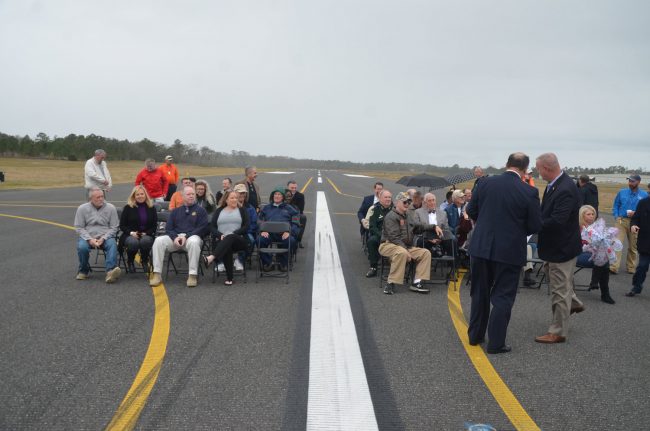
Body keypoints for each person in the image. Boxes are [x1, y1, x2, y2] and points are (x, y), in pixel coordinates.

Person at [466, 153, 542, 354]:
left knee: (479, 293)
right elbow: (535, 224)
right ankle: (496, 343)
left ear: (506, 165)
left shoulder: (484, 184)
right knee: (502, 297)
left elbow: (472, 210)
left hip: (481, 247)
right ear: (525, 170)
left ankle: (475, 335)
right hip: (509, 250)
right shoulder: (529, 192)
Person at [534, 153, 585, 344]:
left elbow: (557, 220)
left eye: (539, 169)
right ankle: (575, 303)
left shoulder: (565, 188)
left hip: (561, 247)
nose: (538, 172)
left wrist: (534, 224)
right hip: (555, 246)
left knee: (559, 290)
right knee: (555, 279)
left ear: (546, 168)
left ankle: (558, 332)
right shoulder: (556, 183)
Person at [149, 185, 209, 288]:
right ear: (183, 196)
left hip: (192, 237)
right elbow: (169, 228)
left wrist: (186, 236)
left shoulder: (201, 211)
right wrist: (175, 237)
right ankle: (157, 274)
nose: (191, 196)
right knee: (159, 240)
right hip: (176, 239)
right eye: (188, 194)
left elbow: (202, 228)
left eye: (193, 194)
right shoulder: (176, 211)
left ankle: (192, 275)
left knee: (194, 242)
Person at [379, 192, 432, 295]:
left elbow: (418, 226)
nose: (407, 204)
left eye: (409, 202)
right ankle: (390, 283)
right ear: (397, 203)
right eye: (404, 202)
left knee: (425, 253)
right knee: (402, 252)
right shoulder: (391, 216)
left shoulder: (408, 215)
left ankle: (417, 283)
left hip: (404, 246)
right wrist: (406, 250)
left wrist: (433, 226)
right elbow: (394, 237)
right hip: (388, 244)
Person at [74, 187, 121, 283]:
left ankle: (110, 271)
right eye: (97, 197)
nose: (101, 199)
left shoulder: (111, 208)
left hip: (105, 236)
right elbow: (79, 227)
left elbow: (114, 227)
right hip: (88, 237)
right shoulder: (82, 209)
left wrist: (103, 238)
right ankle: (83, 270)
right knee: (82, 247)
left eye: (102, 196)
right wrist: (89, 239)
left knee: (112, 245)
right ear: (91, 198)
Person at [576, 205, 621, 304]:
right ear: (582, 215)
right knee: (603, 260)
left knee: (603, 258)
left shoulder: (598, 227)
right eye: (588, 214)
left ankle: (596, 283)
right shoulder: (576, 227)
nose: (591, 216)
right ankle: (604, 293)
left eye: (593, 214)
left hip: (596, 255)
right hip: (579, 254)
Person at [204, 190, 250, 285]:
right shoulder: (219, 211)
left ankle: (211, 257)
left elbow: (246, 226)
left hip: (239, 240)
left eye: (236, 198)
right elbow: (212, 227)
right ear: (226, 200)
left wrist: (234, 233)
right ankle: (230, 278)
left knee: (230, 237)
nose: (234, 200)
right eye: (232, 198)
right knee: (227, 245)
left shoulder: (242, 210)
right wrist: (220, 235)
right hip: (221, 240)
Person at [610, 174, 648, 274]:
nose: (630, 183)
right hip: (621, 221)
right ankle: (614, 266)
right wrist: (616, 215)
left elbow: (646, 210)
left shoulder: (644, 195)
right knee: (617, 244)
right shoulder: (622, 192)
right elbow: (616, 205)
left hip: (635, 223)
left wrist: (636, 213)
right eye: (629, 181)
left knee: (633, 246)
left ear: (638, 182)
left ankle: (631, 267)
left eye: (633, 181)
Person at [258, 187, 300, 272]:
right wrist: (262, 230)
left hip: (283, 234)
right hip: (269, 234)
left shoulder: (290, 209)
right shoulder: (266, 208)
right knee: (259, 240)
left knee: (290, 240)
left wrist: (290, 232)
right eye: (275, 194)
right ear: (272, 196)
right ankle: (268, 262)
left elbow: (296, 223)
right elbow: (259, 221)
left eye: (279, 194)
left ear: (283, 197)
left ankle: (283, 263)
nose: (277, 196)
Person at [119, 185, 158, 273]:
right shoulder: (128, 208)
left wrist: (146, 233)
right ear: (134, 196)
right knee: (133, 242)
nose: (140, 196)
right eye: (137, 194)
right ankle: (130, 261)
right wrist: (132, 233)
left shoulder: (151, 208)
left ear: (145, 195)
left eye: (142, 194)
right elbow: (122, 225)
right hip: (130, 234)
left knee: (146, 241)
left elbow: (154, 226)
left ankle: (144, 260)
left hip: (146, 234)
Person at [627, 184, 650, 297]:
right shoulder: (643, 203)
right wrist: (633, 225)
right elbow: (636, 218)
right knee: (642, 266)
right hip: (646, 242)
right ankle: (636, 287)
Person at [365, 190, 393, 278]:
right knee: (371, 241)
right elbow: (372, 227)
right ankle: (373, 267)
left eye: (389, 197)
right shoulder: (375, 210)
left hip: (394, 236)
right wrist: (382, 236)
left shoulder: (395, 210)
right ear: (380, 199)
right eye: (386, 197)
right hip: (380, 235)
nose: (388, 199)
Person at [233, 183, 258, 269]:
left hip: (246, 232)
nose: (242, 195)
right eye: (240, 192)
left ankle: (240, 260)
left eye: (244, 193)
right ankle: (222, 262)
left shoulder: (250, 208)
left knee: (250, 240)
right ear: (234, 193)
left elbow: (254, 223)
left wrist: (244, 231)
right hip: (231, 232)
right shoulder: (229, 207)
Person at [287, 180, 307, 247]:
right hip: (284, 214)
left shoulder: (300, 196)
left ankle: (299, 240)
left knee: (303, 218)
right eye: (292, 188)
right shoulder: (283, 194)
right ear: (288, 187)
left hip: (296, 214)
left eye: (295, 188)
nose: (294, 189)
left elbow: (301, 209)